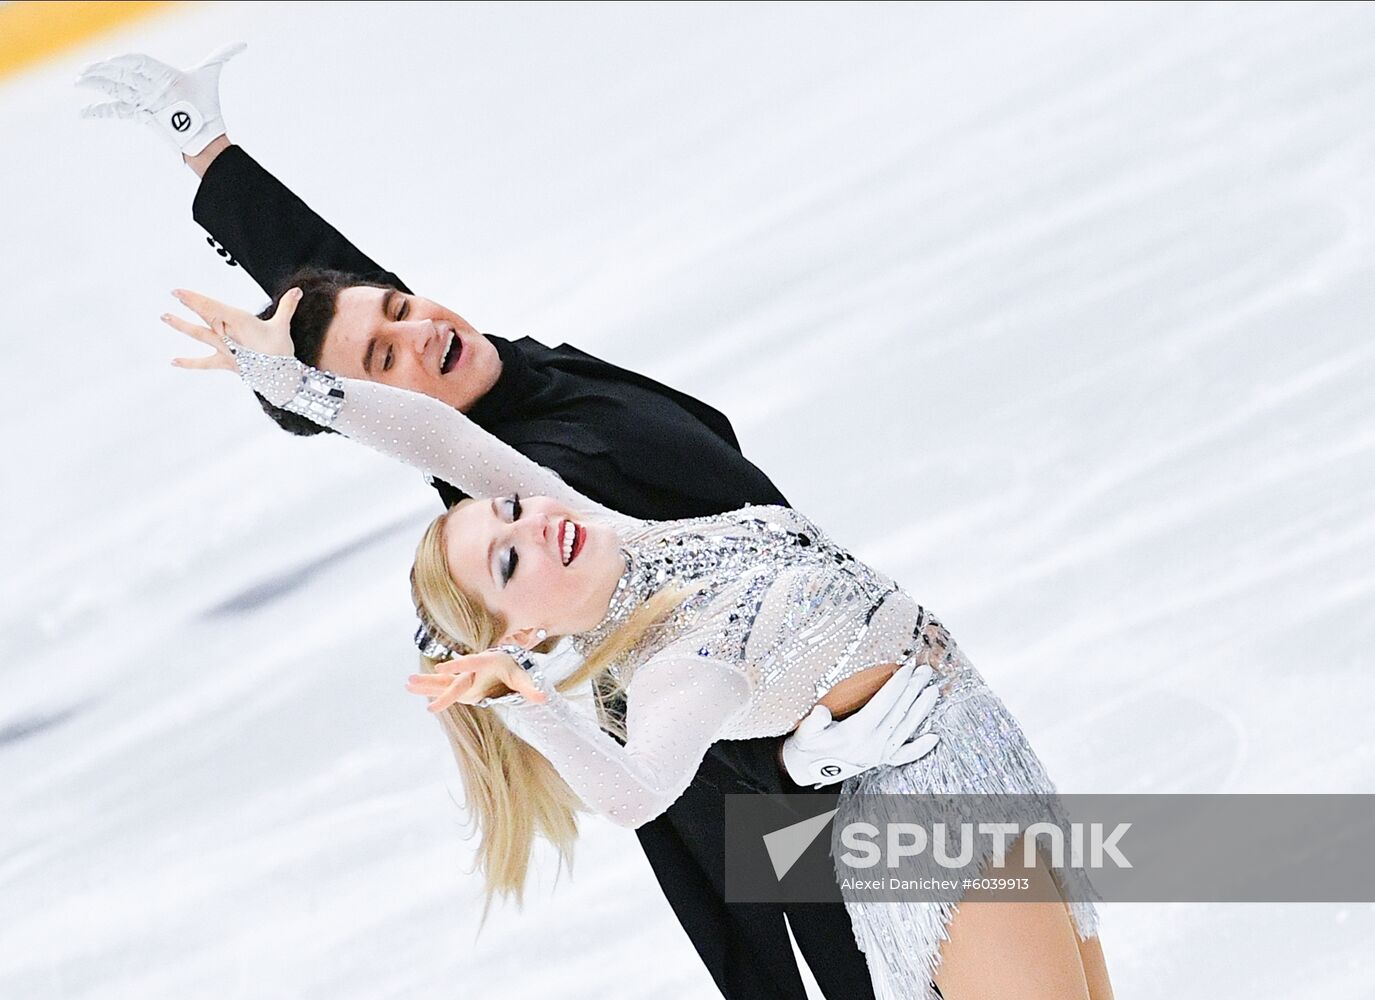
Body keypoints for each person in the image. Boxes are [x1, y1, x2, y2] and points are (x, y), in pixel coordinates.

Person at [79, 46, 945, 999]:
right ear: (378, 418)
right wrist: (795, 759)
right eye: (386, 360)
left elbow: (345, 296)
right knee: (998, 927)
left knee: (1065, 892)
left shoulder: (495, 372)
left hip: (892, 700)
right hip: (808, 798)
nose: (423, 333)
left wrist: (203, 146)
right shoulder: (536, 510)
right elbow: (646, 702)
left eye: (405, 307)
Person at [164, 291, 1113, 1000]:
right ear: (524, 629)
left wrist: (285, 377)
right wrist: (519, 703)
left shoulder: (604, 525)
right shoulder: (672, 669)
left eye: (511, 506)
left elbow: (427, 429)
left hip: (992, 761)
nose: (531, 524)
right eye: (505, 559)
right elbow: (634, 791)